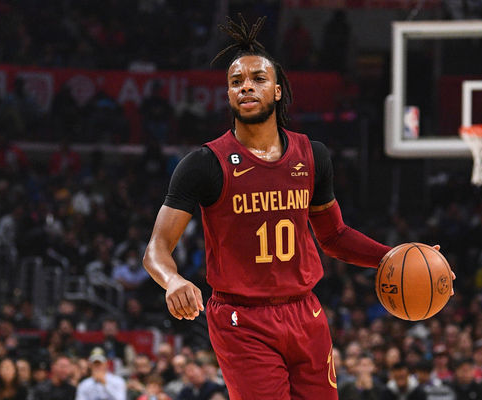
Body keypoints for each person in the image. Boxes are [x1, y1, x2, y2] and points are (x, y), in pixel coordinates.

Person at [143, 14, 454, 400]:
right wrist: (172, 280)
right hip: (242, 320)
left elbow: (334, 236)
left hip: (305, 313)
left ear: (277, 91)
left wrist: (392, 256)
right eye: (236, 82)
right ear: (227, 96)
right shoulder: (204, 164)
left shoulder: (313, 155)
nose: (246, 87)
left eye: (258, 79)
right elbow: (157, 249)